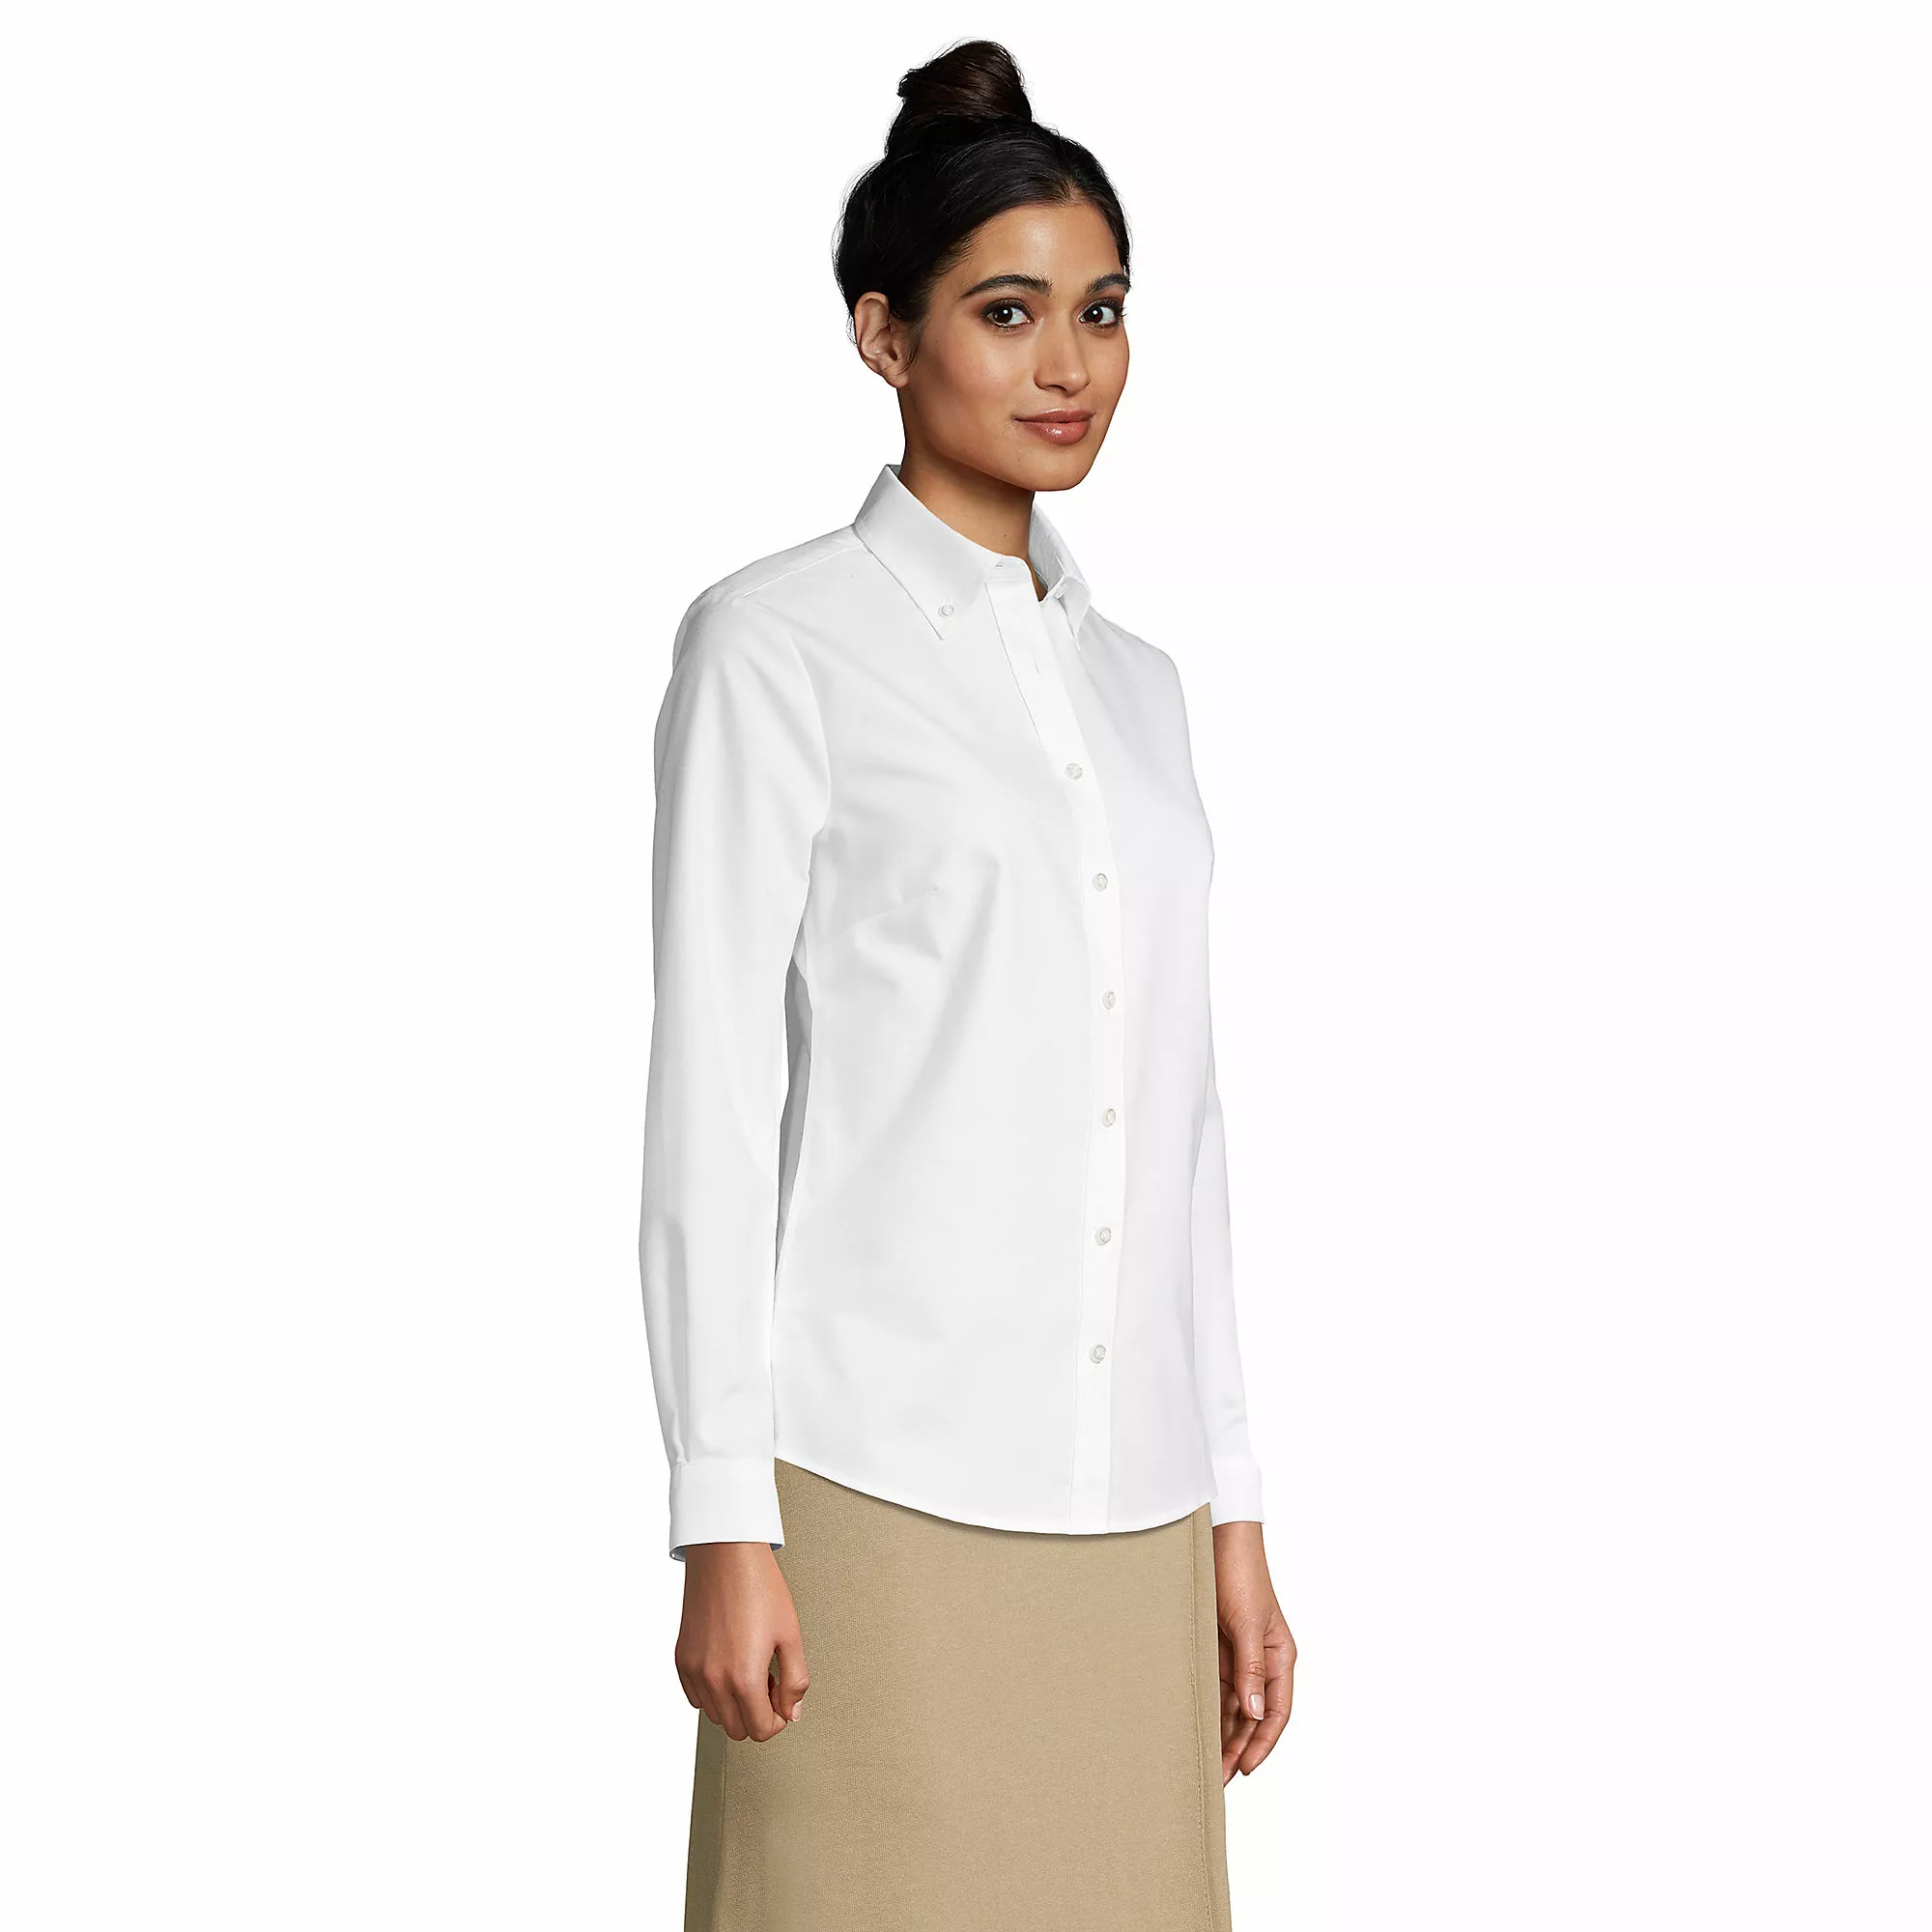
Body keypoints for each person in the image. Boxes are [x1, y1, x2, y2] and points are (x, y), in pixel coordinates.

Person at [639, 38, 1295, 1931]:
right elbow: (710, 1102)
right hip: (875, 1493)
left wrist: (1235, 1509)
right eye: (1007, 312)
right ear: (883, 334)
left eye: (1101, 309)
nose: (1068, 362)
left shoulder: (1142, 691)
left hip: (1139, 1509)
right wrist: (719, 1512)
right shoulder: (775, 645)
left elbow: (1181, 1126)